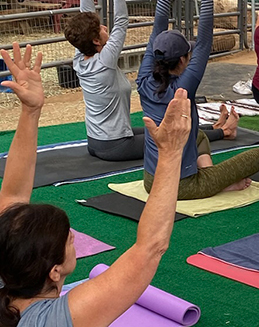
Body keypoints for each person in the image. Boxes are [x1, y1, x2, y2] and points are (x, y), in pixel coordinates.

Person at [0, 42, 192, 327]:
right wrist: (172, 152)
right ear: (54, 272)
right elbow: (149, 248)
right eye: (68, 237)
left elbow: (13, 197)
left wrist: (31, 111)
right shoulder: (54, 320)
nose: (74, 236)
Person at [65, 0, 237, 162]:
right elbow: (122, 23)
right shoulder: (106, 62)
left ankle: (215, 126)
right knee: (176, 134)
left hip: (97, 140)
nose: (104, 27)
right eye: (100, 29)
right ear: (97, 41)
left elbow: (86, 17)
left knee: (157, 127)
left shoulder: (81, 57)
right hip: (116, 145)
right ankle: (224, 132)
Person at [138, 0, 259, 200]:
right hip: (181, 186)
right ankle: (218, 184)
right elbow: (205, 41)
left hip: (150, 181)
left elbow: (157, 25)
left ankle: (209, 175)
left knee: (197, 135)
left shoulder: (145, 76)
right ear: (181, 61)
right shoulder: (183, 88)